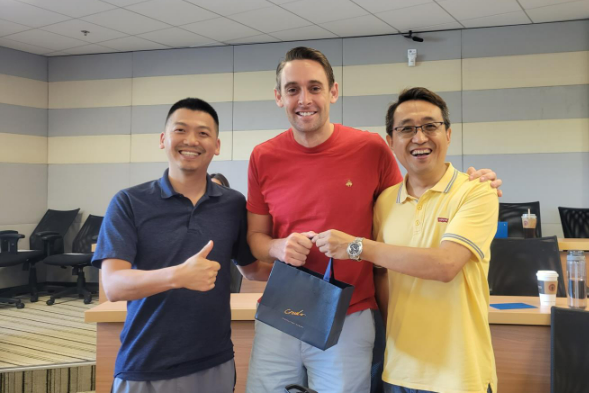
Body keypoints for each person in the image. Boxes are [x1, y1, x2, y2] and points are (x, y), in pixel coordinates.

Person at [245, 47, 502, 392]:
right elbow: (256, 239)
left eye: (315, 87)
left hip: (350, 312)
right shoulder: (263, 156)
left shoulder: (370, 149)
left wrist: (473, 183)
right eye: (293, 89)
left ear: (333, 91)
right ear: (279, 96)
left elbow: (414, 197)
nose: (304, 99)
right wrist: (277, 247)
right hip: (283, 308)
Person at [314, 87, 498, 393]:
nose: (420, 138)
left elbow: (446, 265)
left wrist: (358, 247)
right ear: (391, 141)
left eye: (430, 126)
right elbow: (381, 276)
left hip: (460, 375)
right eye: (407, 129)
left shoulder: (476, 192)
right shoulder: (385, 201)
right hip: (398, 371)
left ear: (448, 134)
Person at [92, 98, 271, 393]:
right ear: (163, 139)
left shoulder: (233, 204)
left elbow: (252, 270)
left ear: (217, 145)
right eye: (180, 130)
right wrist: (178, 276)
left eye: (203, 133)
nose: (191, 140)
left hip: (215, 362)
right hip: (145, 365)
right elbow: (113, 285)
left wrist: (310, 263)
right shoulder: (128, 202)